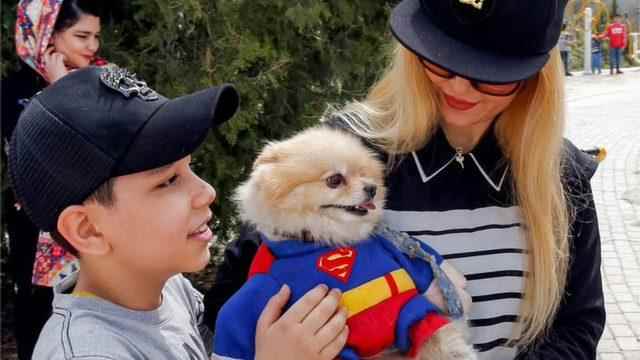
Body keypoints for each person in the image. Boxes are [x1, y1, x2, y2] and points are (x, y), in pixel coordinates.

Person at [206, 0, 605, 359]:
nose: (459, 85)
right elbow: (233, 300)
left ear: (537, 74)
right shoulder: (340, 156)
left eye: (491, 73)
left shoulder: (561, 174)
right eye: (441, 59)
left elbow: (578, 326)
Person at [8, 66, 348, 360]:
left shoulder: (166, 289)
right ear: (88, 230)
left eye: (191, 168)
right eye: (169, 180)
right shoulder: (86, 352)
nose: (207, 192)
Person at [2, 1, 104, 358]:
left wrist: (68, 88)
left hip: (97, 217)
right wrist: (61, 92)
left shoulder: (104, 80)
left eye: (96, 37)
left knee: (95, 305)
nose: (92, 46)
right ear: (46, 35)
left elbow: (106, 145)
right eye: (81, 36)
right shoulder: (14, 91)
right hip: (35, 221)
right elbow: (33, 155)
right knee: (37, 310)